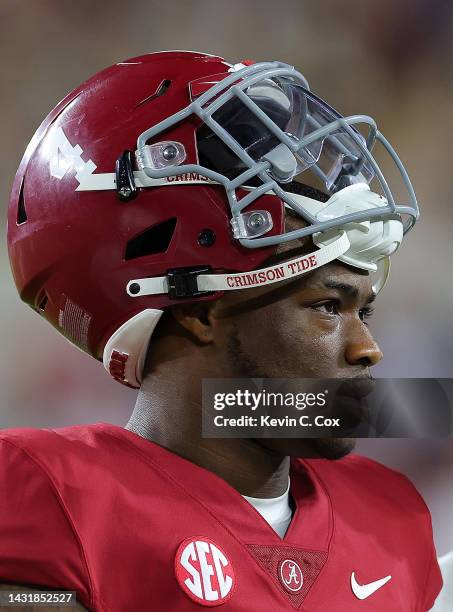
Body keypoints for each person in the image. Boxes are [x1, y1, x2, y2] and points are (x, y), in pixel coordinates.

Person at [1, 51, 442, 610]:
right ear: (198, 311)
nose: (367, 349)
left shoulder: (393, 516)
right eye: (328, 306)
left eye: (365, 313)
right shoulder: (48, 495)